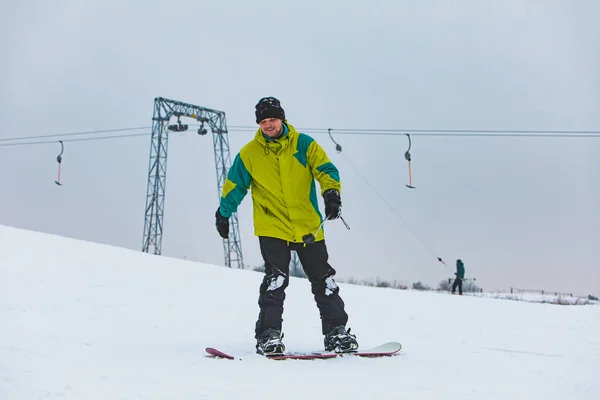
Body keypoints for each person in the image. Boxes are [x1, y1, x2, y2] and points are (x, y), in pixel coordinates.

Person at [214, 97, 358, 356]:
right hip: (272, 226)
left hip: (308, 226)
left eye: (273, 119)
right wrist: (223, 214)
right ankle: (268, 335)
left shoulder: (304, 145)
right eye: (264, 121)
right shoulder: (249, 154)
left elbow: (326, 170)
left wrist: (332, 194)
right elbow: (234, 186)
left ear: (282, 119)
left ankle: (337, 332)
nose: (269, 125)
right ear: (259, 123)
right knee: (275, 281)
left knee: (324, 280)